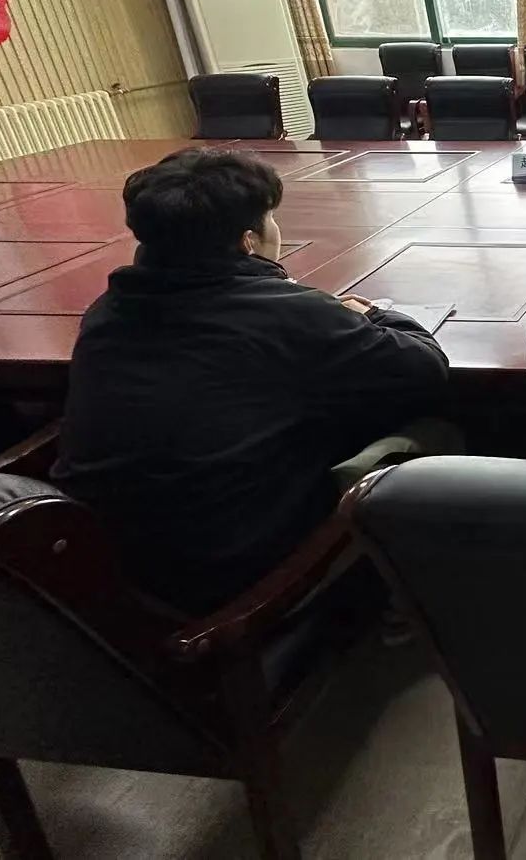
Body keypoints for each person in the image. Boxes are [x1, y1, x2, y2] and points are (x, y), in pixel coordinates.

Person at [53, 148, 452, 614]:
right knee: (435, 431)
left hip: (105, 568)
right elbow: (426, 370)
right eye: (270, 218)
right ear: (248, 241)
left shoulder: (107, 311)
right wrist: (373, 314)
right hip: (231, 575)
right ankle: (399, 604)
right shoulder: (291, 315)